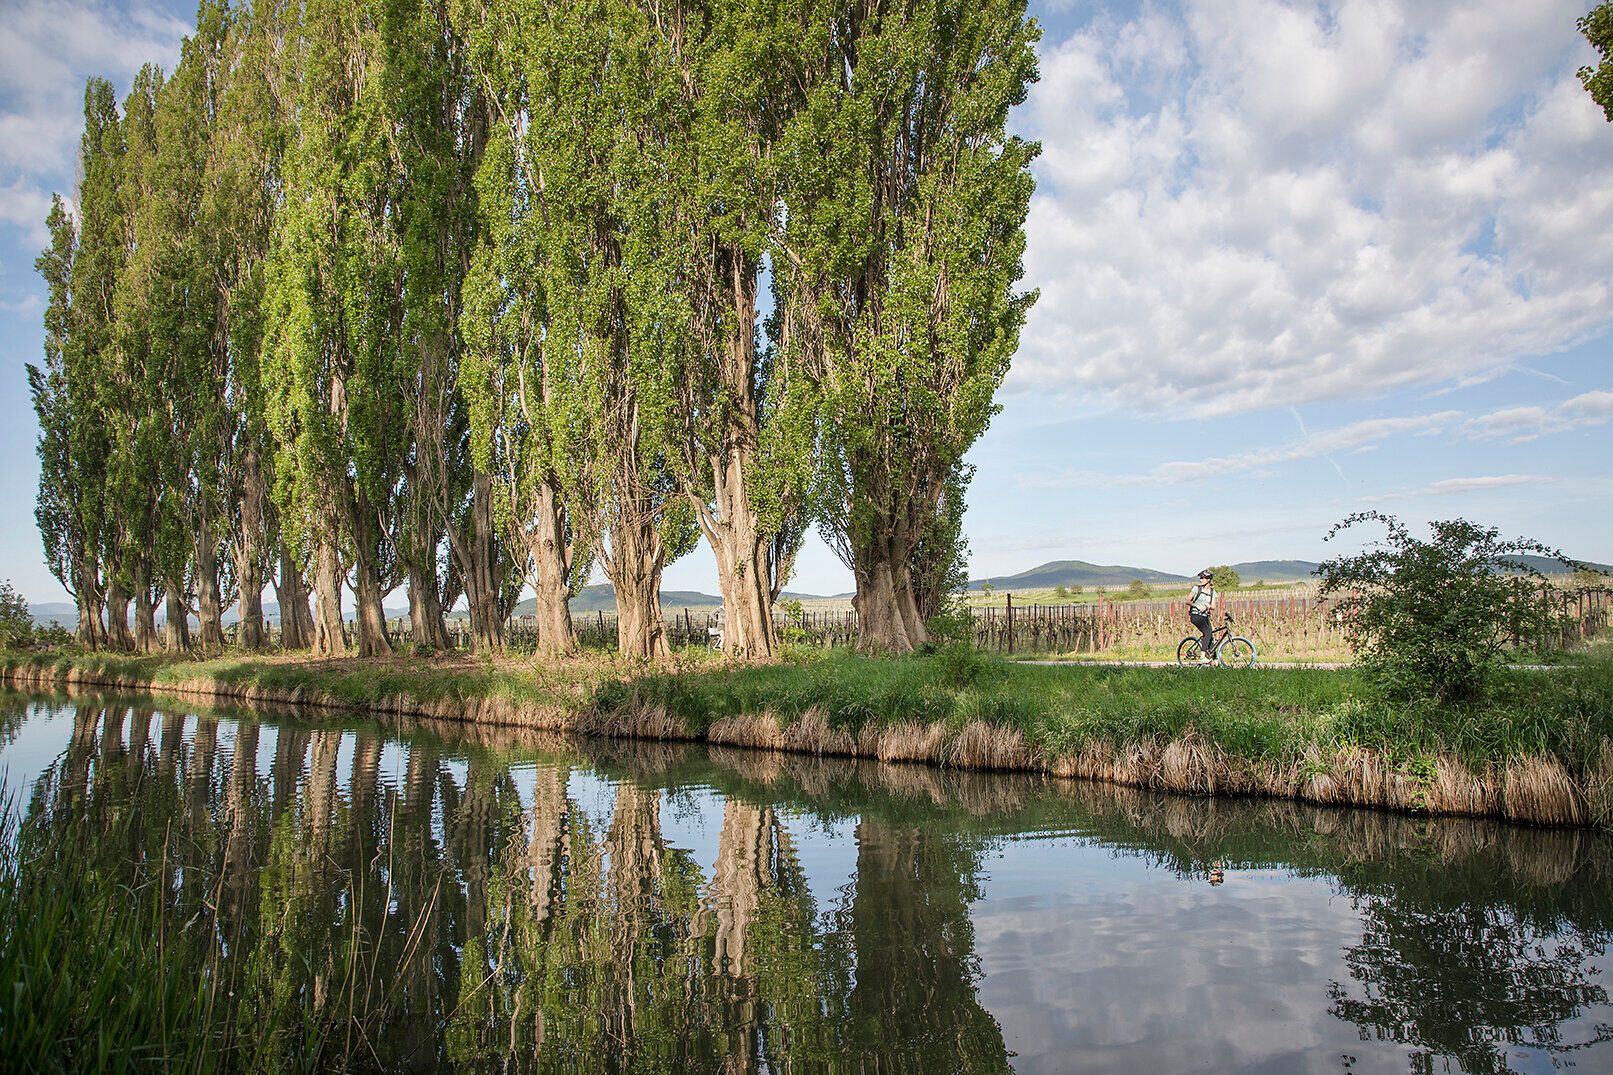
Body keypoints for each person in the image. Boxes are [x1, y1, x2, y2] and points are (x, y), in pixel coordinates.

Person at [1186, 569, 1218, 662]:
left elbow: (1213, 607)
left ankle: (1215, 659)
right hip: (1196, 615)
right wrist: (1197, 606)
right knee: (1208, 632)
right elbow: (1188, 601)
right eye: (1201, 578)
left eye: (1203, 578)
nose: (1201, 580)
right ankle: (1202, 657)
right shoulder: (1197, 589)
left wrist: (1207, 606)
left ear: (1209, 579)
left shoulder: (1212, 592)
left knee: (1210, 636)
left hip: (1205, 616)